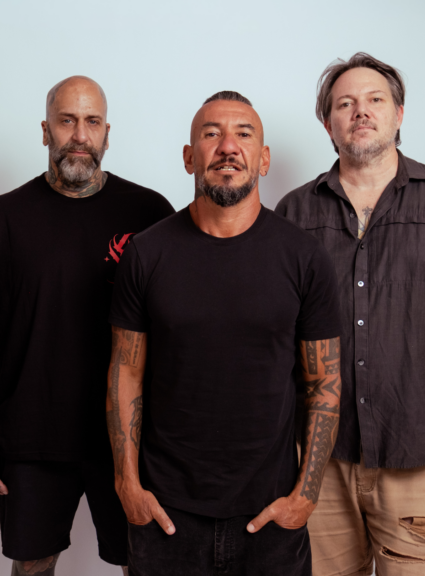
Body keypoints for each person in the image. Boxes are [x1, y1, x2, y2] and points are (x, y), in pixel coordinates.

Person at [275, 53, 425, 576]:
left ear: (398, 114)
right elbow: (275, 336)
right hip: (318, 462)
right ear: (328, 124)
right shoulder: (293, 212)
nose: (361, 111)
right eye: (345, 103)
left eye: (375, 99)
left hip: (419, 455)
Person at [107, 91, 343, 576]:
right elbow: (125, 372)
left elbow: (324, 382)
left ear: (264, 158)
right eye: (211, 133)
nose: (228, 146)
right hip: (166, 515)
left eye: (243, 134)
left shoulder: (304, 257)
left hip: (271, 516)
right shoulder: (147, 253)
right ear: (189, 157)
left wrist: (305, 496)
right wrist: (127, 485)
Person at [0, 76, 174, 576]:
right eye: (66, 121)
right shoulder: (3, 217)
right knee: (32, 567)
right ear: (45, 131)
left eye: (92, 121)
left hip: (128, 438)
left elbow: (182, 326)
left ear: (107, 134)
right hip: (29, 436)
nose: (80, 135)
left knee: (144, 564)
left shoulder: (150, 213)